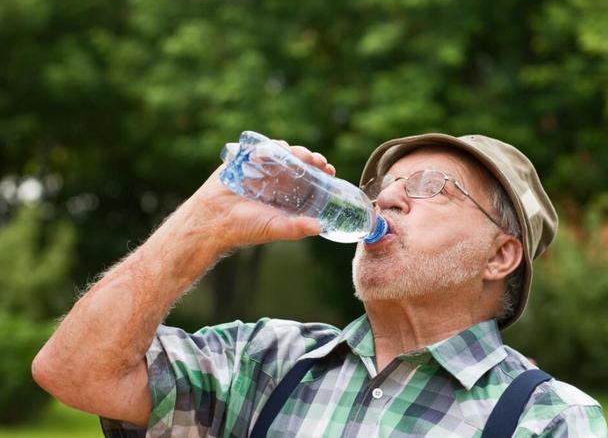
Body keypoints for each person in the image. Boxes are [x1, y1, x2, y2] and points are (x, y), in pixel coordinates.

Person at [32, 133, 608, 437]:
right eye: (384, 184)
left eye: (432, 187)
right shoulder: (265, 362)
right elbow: (74, 370)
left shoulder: (549, 420)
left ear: (500, 256)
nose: (384, 197)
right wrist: (200, 228)